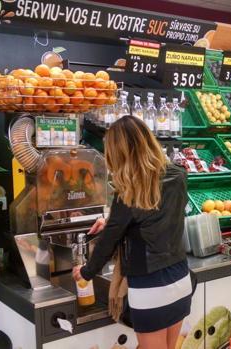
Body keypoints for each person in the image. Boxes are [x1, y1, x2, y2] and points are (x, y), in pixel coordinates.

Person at [73, 115, 190, 349]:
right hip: (180, 278)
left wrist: (85, 272)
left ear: (119, 154)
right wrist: (115, 221)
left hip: (151, 287)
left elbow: (108, 242)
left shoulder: (127, 193)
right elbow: (157, 215)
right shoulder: (178, 174)